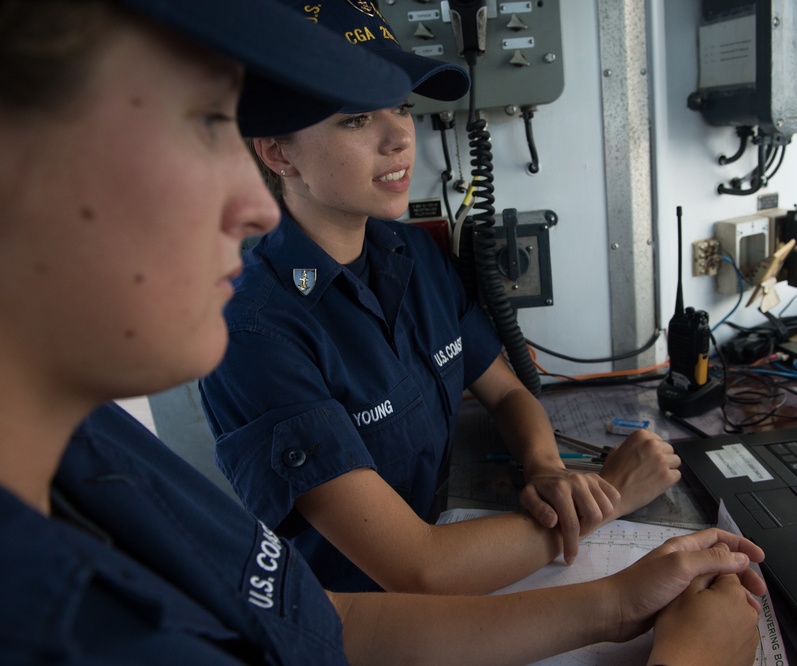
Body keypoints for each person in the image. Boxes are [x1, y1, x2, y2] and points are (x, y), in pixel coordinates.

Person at [0, 0, 766, 663]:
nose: (254, 207)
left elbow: (328, 625)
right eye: (203, 123)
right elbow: (402, 578)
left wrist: (620, 596)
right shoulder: (253, 324)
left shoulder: (101, 453)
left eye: (400, 108)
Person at [199, 0, 683, 595]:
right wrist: (608, 496)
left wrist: (549, 470)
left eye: (401, 106)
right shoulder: (253, 330)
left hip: (466, 551)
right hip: (373, 621)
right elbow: (416, 568)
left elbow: (504, 389)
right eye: (355, 118)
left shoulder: (414, 256)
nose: (400, 135)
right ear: (279, 153)